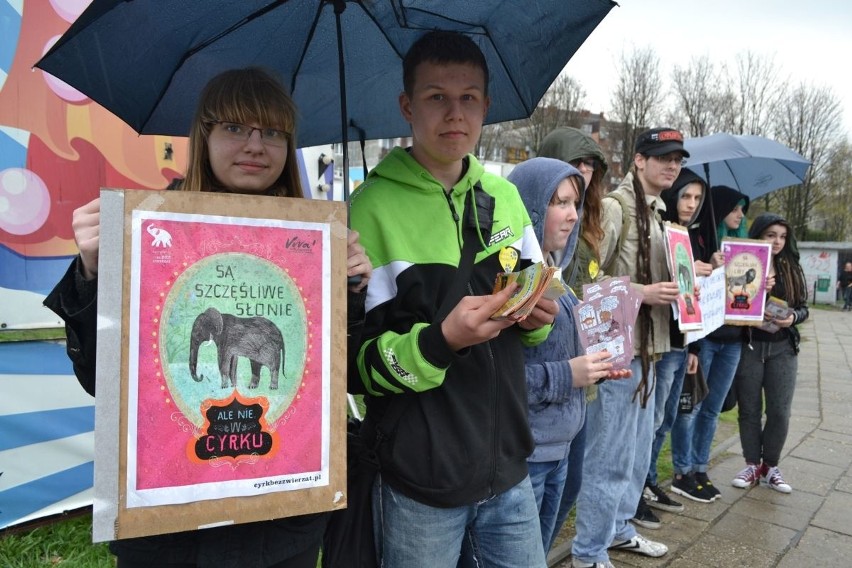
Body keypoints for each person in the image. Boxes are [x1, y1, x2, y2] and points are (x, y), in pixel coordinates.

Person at [43, 67, 373, 568]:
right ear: (205, 135)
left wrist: (350, 289)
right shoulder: (147, 233)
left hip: (280, 527)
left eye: (273, 132)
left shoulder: (314, 245)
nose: (255, 145)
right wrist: (94, 273)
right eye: (235, 128)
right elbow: (99, 381)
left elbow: (336, 380)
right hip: (170, 533)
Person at [348, 31, 558, 568]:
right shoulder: (366, 211)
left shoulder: (506, 197)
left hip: (509, 468)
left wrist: (537, 318)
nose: (454, 113)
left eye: (468, 98)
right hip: (420, 480)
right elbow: (355, 368)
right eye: (436, 96)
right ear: (407, 106)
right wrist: (441, 343)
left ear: (486, 107)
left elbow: (534, 320)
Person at [570, 128, 687, 568]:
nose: (671, 165)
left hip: (652, 352)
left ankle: (618, 529)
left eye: (677, 158)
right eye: (662, 157)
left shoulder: (660, 214)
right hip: (620, 357)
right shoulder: (617, 208)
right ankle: (588, 552)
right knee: (609, 458)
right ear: (639, 160)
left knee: (638, 456)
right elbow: (587, 282)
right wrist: (643, 292)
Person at [508, 157, 621, 555]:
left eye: (575, 203)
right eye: (559, 202)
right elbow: (500, 380)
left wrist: (601, 360)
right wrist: (568, 374)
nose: (572, 215)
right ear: (528, 206)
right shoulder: (511, 283)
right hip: (527, 455)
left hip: (561, 448)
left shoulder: (555, 275)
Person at [536, 126, 609, 544]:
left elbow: (594, 296)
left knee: (570, 485)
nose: (586, 172)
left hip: (584, 384)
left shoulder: (586, 233)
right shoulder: (531, 242)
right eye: (577, 164)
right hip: (545, 394)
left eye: (591, 166)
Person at [634, 169, 714, 528]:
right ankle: (636, 491)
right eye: (687, 196)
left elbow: (695, 299)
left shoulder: (696, 236)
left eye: (697, 199)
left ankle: (648, 481)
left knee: (664, 419)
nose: (692, 204)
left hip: (683, 340)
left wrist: (695, 346)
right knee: (649, 421)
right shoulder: (661, 228)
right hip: (659, 339)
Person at [670, 185, 750, 504]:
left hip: (733, 339)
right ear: (720, 210)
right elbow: (690, 288)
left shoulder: (744, 248)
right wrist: (711, 266)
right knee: (692, 406)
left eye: (742, 209)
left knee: (713, 409)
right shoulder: (697, 239)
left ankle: (700, 468)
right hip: (705, 339)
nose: (740, 215)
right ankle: (683, 471)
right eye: (735, 209)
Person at [731, 213, 808, 493]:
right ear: (758, 235)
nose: (777, 241)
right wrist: (757, 290)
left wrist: (793, 318)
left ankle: (770, 466)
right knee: (749, 410)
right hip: (750, 345)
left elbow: (803, 308)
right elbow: (733, 302)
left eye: (782, 236)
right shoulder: (743, 263)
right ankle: (752, 464)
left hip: (782, 348)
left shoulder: (791, 267)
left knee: (779, 411)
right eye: (770, 235)